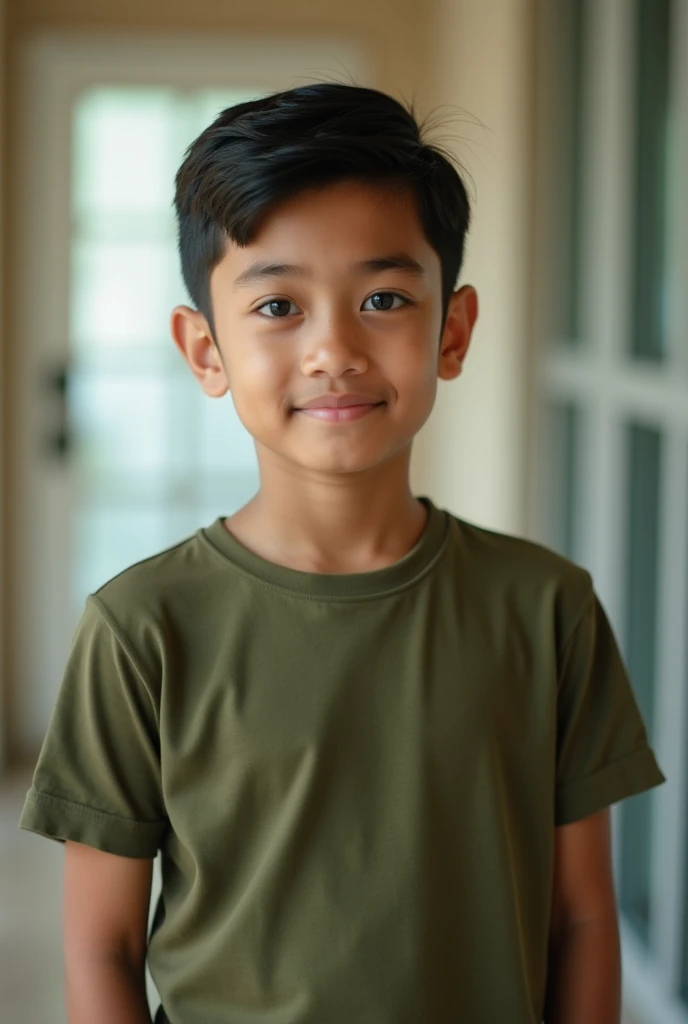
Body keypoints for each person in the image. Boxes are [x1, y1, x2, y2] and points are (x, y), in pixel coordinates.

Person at [19, 82, 665, 1024]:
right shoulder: (140, 628)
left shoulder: (547, 607)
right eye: (279, 305)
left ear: (452, 330)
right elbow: (100, 948)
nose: (335, 349)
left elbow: (582, 918)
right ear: (205, 352)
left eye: (382, 297)